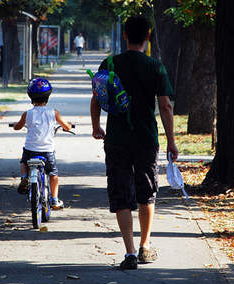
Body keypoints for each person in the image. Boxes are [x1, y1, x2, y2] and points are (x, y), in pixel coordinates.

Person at [90, 15, 178, 270]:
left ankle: (129, 252)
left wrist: (97, 126)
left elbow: (97, 99)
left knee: (121, 192)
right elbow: (165, 106)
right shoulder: (155, 67)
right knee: (146, 192)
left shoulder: (110, 63)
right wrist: (171, 141)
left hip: (117, 139)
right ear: (148, 36)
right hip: (146, 138)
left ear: (125, 35)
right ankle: (145, 246)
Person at [13, 78, 72, 210]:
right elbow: (66, 126)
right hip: (47, 151)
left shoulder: (27, 114)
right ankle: (55, 200)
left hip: (30, 150)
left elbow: (18, 127)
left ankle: (24, 177)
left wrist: (15, 126)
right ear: (48, 96)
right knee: (53, 174)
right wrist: (68, 125)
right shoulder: (53, 113)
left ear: (31, 97)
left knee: (23, 162)